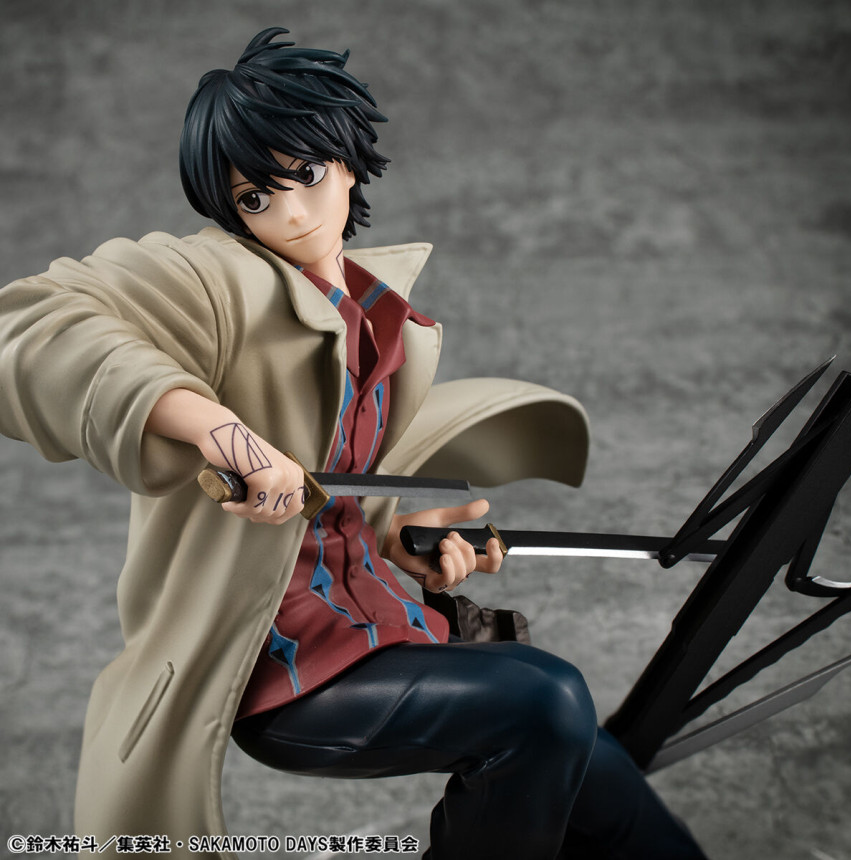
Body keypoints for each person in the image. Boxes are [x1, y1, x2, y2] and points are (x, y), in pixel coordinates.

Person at [0, 28, 705, 859]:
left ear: (347, 162)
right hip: (277, 668)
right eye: (255, 198)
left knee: (582, 746)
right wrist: (216, 429)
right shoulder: (213, 278)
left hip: (375, 627)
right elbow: (29, 326)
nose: (291, 214)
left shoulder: (378, 310)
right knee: (544, 699)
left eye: (305, 174)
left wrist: (397, 540)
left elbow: (337, 500)